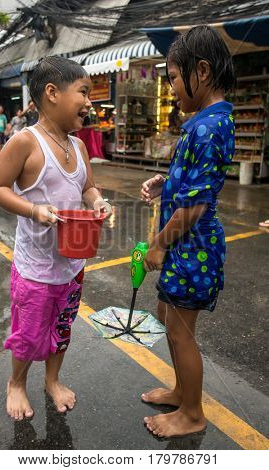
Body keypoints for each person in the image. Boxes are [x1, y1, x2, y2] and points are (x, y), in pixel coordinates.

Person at [0, 57, 111, 421]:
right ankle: (17, 384)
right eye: (84, 92)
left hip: (72, 263)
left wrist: (98, 202)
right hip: (35, 267)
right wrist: (34, 210)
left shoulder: (79, 146)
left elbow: (87, 187)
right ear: (52, 93)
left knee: (62, 326)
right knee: (28, 332)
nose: (89, 102)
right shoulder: (25, 142)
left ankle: (52, 380)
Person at [140, 25, 235, 438]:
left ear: (202, 71)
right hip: (187, 245)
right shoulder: (204, 122)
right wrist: (166, 182)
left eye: (175, 78)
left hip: (191, 245)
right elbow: (196, 183)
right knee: (167, 314)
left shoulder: (209, 126)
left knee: (179, 328)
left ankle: (192, 413)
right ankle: (182, 391)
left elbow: (196, 205)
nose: (173, 87)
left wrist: (158, 244)